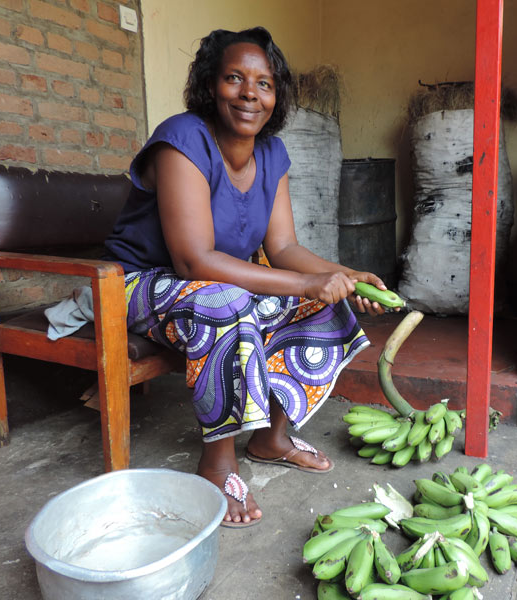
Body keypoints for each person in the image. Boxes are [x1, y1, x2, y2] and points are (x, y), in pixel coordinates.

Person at [104, 27, 391, 527]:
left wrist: (344, 275)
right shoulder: (182, 138)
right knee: (227, 304)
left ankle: (271, 437)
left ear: (276, 95)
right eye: (234, 78)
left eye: (264, 83)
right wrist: (304, 282)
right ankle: (218, 464)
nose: (249, 94)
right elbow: (193, 261)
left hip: (215, 284)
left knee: (324, 303)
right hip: (135, 283)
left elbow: (282, 247)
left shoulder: (272, 154)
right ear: (210, 85)